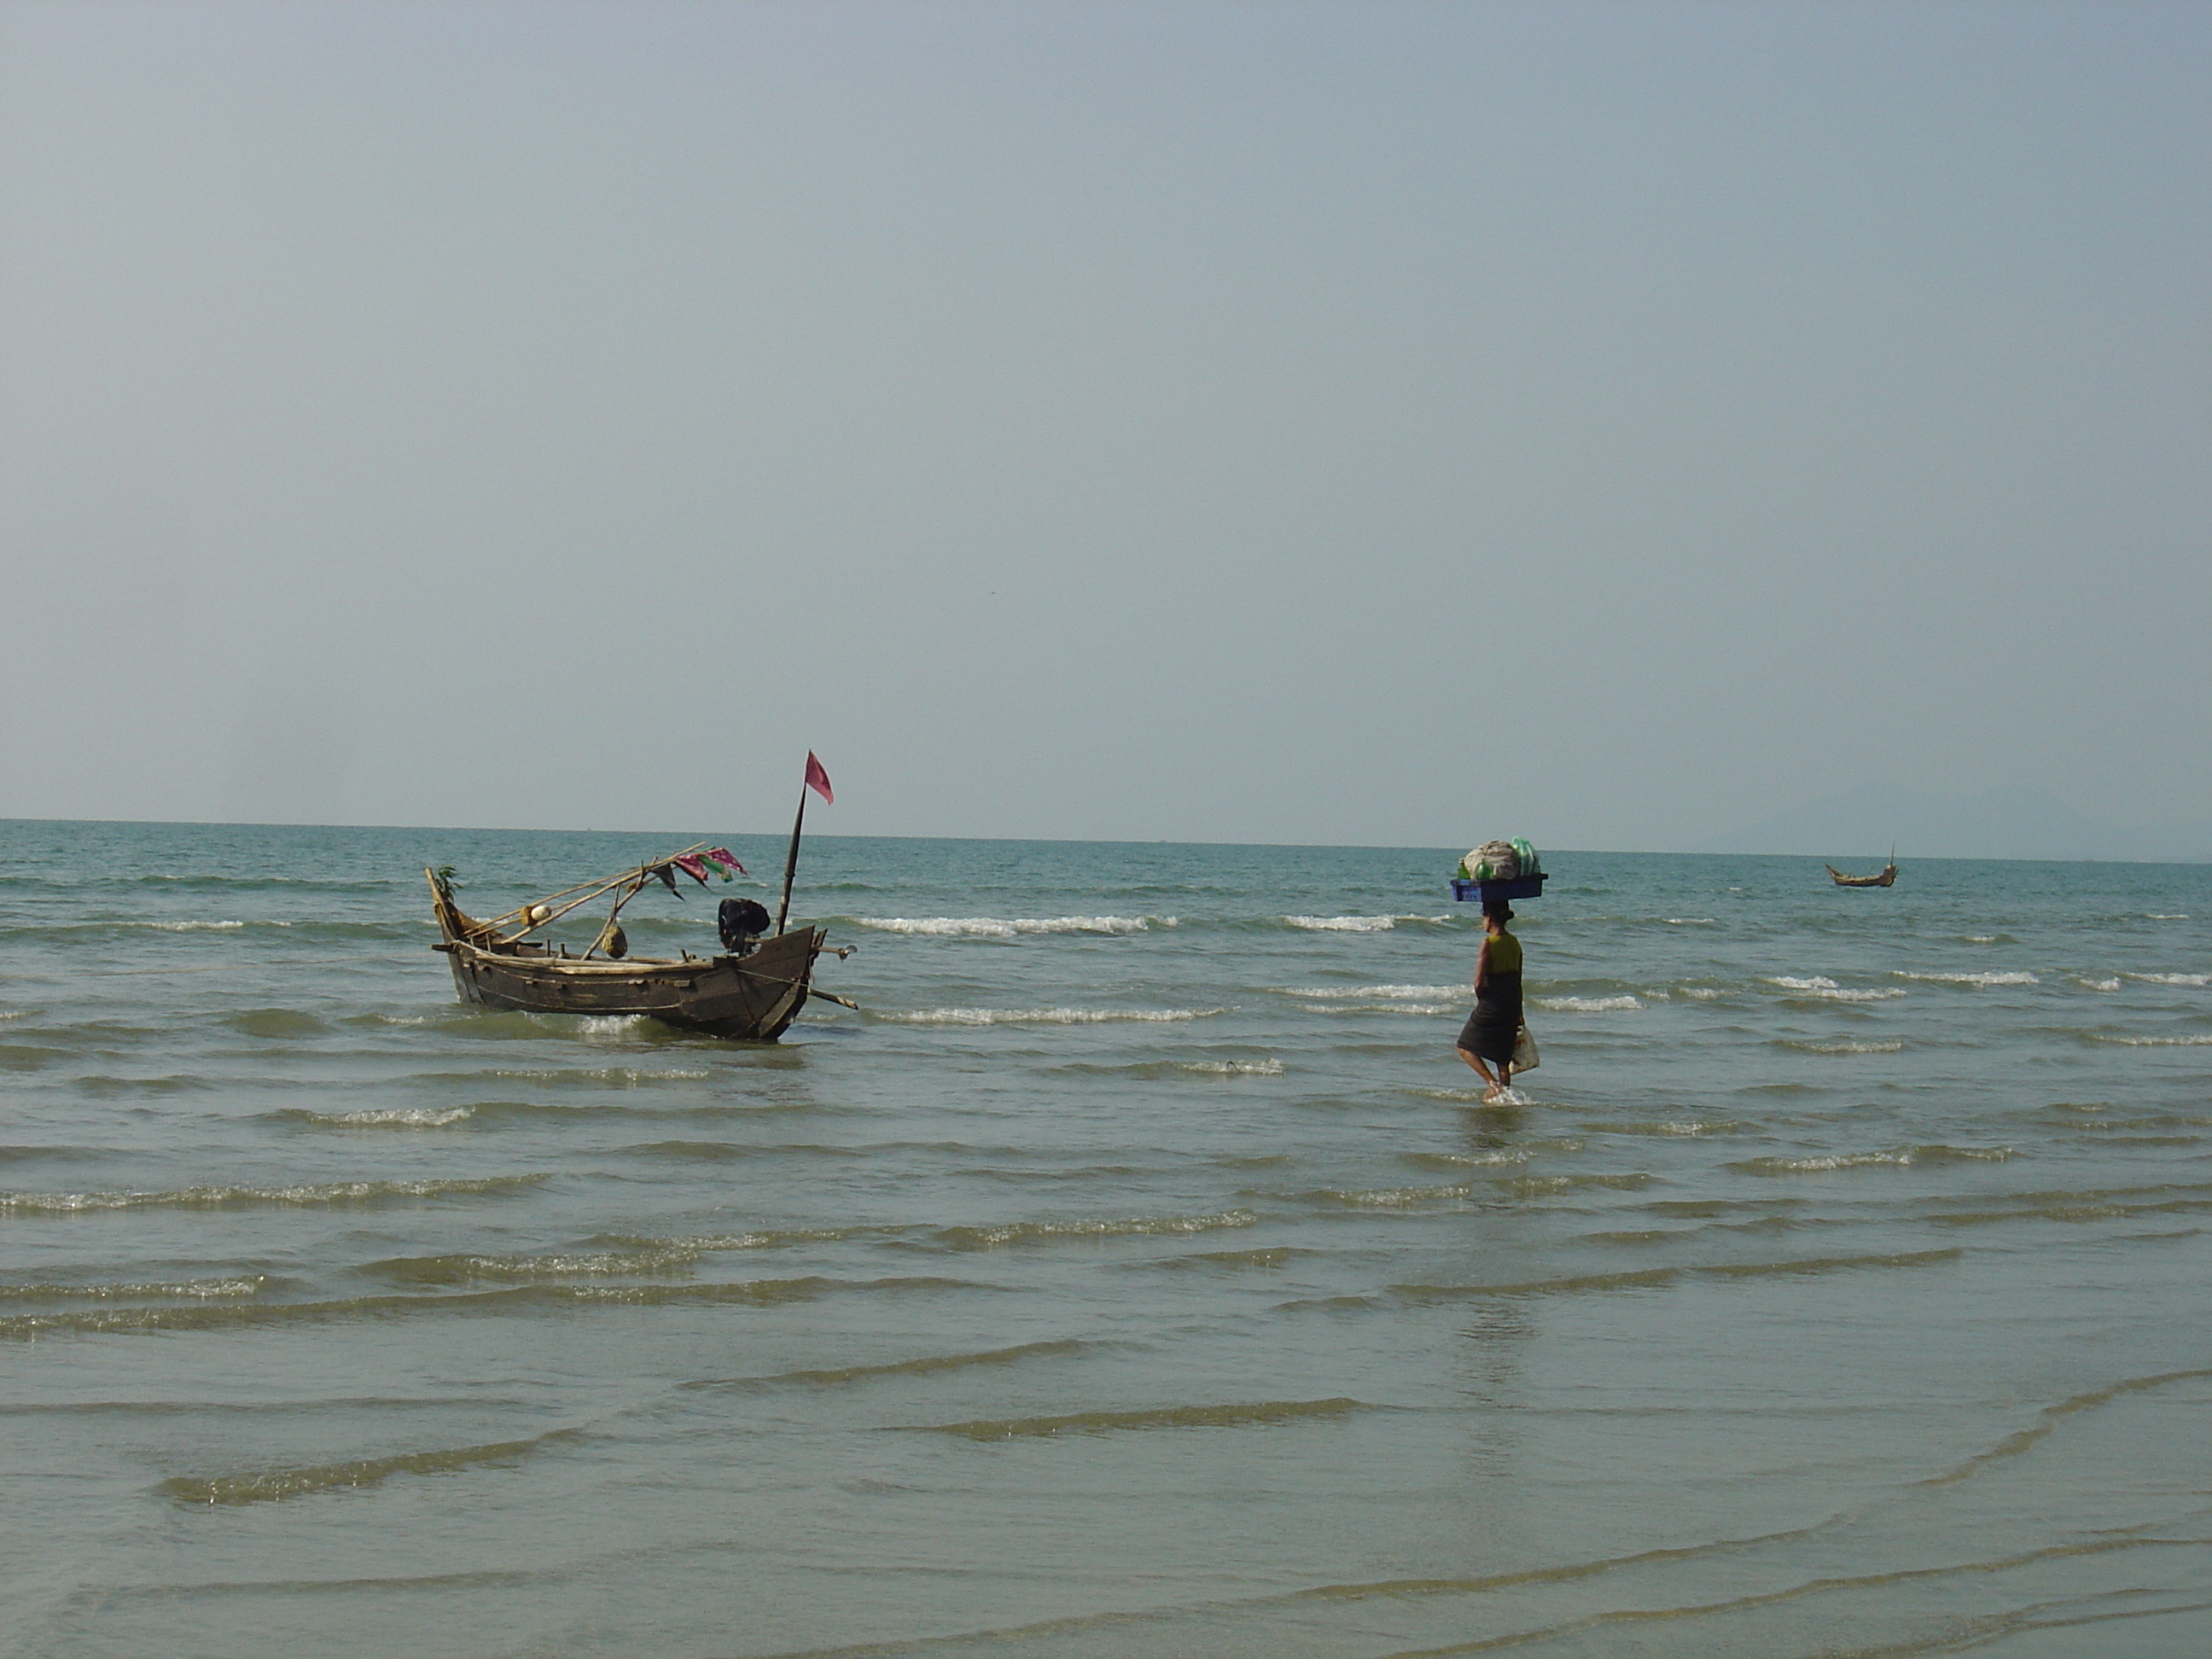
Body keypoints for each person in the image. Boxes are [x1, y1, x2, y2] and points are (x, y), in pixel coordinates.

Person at [1455, 899, 1524, 1102]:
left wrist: (1482, 1000)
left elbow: (1478, 981)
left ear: (1490, 919)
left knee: (1464, 1046)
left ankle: (1492, 1085)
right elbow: (1518, 978)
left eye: (1483, 917)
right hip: (1512, 1002)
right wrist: (1520, 1011)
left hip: (1493, 1003)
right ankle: (1504, 1096)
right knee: (1503, 1059)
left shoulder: (1488, 943)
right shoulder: (1514, 942)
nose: (1482, 922)